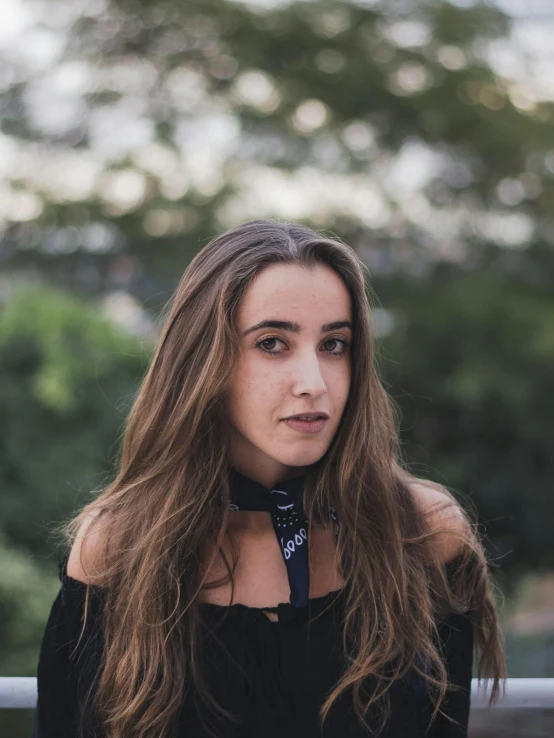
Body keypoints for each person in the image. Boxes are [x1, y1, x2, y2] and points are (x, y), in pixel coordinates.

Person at [33, 219, 506, 738]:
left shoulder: (421, 536)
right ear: (203, 361)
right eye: (273, 343)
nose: (314, 384)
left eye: (334, 345)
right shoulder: (120, 550)